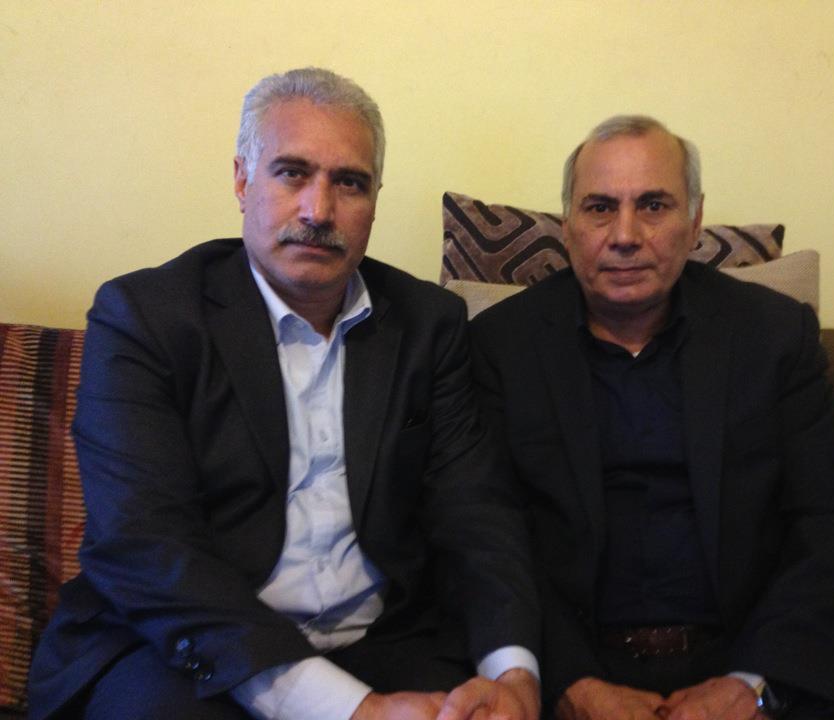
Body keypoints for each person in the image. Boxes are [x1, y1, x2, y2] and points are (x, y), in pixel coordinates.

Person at [28, 67, 540, 720]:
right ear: (243, 180)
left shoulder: (428, 324)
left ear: (375, 199)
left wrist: (514, 672)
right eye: (292, 173)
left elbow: (476, 512)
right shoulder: (145, 318)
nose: (318, 211)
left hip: (382, 642)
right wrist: (354, 710)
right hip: (186, 648)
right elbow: (145, 543)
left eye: (349, 182)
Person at [469, 116, 834, 719]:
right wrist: (572, 684)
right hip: (573, 658)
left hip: (750, 649)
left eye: (653, 205)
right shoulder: (499, 345)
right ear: (567, 225)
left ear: (695, 221)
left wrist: (754, 685)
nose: (625, 235)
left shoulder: (775, 336)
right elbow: (488, 534)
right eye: (600, 207)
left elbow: (829, 525)